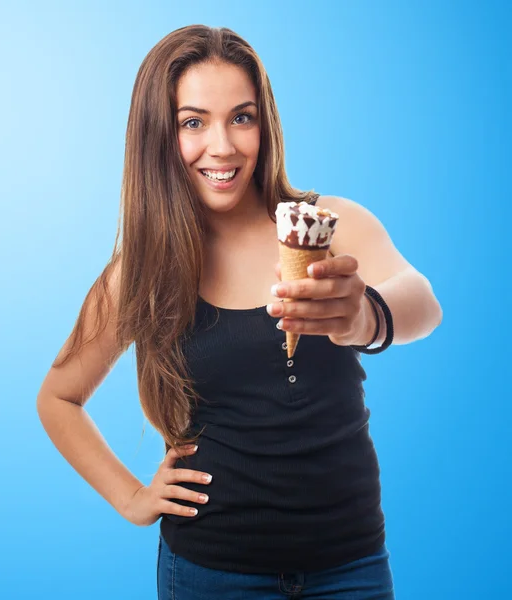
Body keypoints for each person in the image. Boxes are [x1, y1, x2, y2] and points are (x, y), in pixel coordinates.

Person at [36, 24, 442, 600]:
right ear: (160, 135)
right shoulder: (143, 269)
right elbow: (58, 398)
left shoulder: (326, 224)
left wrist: (365, 316)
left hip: (350, 566)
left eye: (242, 118)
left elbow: (423, 301)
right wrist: (132, 498)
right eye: (193, 122)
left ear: (264, 124)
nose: (222, 146)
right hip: (211, 573)